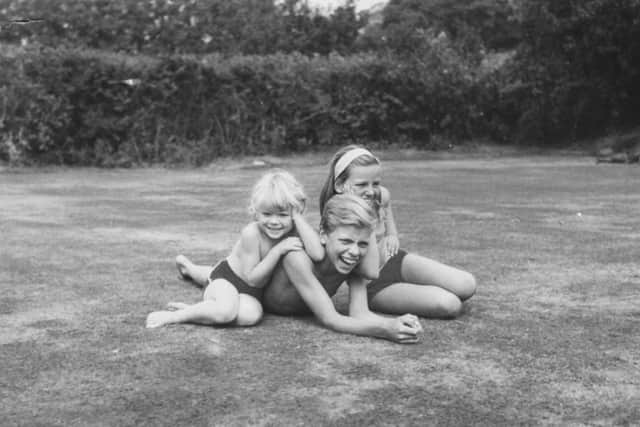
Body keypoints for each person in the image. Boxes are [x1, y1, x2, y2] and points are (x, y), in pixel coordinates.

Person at [146, 169, 324, 328]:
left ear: (295, 212)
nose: (275, 221)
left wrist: (298, 218)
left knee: (251, 316)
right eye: (267, 214)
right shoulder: (252, 233)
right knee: (225, 310)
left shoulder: (294, 228)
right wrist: (277, 251)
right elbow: (254, 280)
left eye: (283, 215)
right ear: (255, 212)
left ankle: (188, 269)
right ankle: (177, 315)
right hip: (227, 279)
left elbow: (317, 254)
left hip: (251, 294)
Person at [317, 145, 477, 318]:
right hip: (373, 284)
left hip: (395, 261)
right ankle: (417, 294)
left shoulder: (381, 195)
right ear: (341, 185)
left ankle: (421, 289)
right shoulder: (339, 212)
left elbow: (390, 230)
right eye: (361, 184)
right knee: (449, 304)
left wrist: (392, 236)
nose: (370, 191)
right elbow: (369, 270)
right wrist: (365, 211)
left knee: (467, 284)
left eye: (375, 183)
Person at [263, 193, 424, 344]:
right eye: (346, 241)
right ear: (324, 235)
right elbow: (331, 319)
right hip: (260, 301)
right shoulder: (297, 256)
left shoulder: (351, 261)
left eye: (362, 244)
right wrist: (385, 330)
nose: (354, 252)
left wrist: (395, 323)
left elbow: (360, 313)